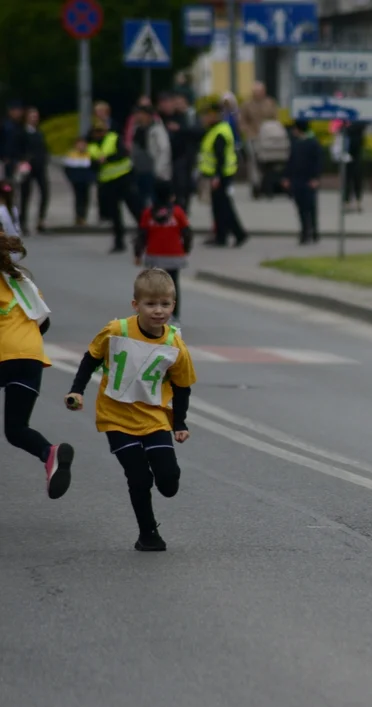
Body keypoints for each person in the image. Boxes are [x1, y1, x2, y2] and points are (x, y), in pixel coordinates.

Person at [65, 269, 197, 552]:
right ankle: (148, 533)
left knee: (168, 481)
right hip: (116, 418)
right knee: (138, 477)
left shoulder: (174, 345)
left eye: (165, 304)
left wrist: (180, 423)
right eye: (151, 304)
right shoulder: (117, 331)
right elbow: (91, 358)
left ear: (173, 305)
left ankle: (164, 483)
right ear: (135, 305)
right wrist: (77, 389)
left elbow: (182, 386)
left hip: (154, 418)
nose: (158, 311)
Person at [0, 231, 75, 499]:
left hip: (3, 352)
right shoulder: (21, 280)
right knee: (17, 428)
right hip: (30, 355)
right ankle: (49, 453)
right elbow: (43, 321)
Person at [135, 181, 192, 323]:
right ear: (171, 196)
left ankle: (152, 312)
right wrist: (186, 248)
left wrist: (137, 254)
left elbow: (142, 235)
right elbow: (187, 232)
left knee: (154, 285)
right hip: (174, 254)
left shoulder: (148, 213)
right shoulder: (177, 212)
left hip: (154, 255)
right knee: (173, 285)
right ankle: (174, 314)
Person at [87, 120, 141, 253]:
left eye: (101, 131)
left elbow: (122, 154)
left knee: (135, 209)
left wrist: (106, 159)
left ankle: (146, 237)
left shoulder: (114, 138)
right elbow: (92, 166)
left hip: (124, 178)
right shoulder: (92, 146)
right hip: (108, 183)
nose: (99, 134)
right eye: (96, 131)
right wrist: (98, 163)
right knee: (115, 215)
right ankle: (119, 242)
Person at [199, 101, 248, 248]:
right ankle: (222, 235)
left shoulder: (219, 132)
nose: (204, 119)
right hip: (220, 175)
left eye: (206, 115)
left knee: (223, 207)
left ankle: (237, 234)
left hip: (220, 175)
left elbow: (220, 157)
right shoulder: (218, 129)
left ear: (214, 116)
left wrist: (216, 177)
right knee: (220, 207)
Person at [282, 120, 322, 246]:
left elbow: (318, 162)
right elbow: (291, 161)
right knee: (301, 208)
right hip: (297, 180)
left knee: (310, 207)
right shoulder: (295, 143)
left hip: (309, 180)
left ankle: (313, 231)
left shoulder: (313, 143)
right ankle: (305, 232)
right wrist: (286, 177)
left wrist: (316, 178)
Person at [17, 107, 49, 234]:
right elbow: (17, 149)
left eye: (36, 116)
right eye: (32, 116)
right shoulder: (22, 133)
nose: (34, 118)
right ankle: (23, 221)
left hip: (40, 166)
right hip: (27, 166)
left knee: (45, 192)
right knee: (25, 194)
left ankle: (41, 220)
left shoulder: (39, 132)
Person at [63, 139, 94, 226]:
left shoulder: (89, 154)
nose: (81, 146)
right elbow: (67, 169)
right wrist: (71, 179)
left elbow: (93, 168)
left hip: (86, 181)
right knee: (78, 198)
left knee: (85, 199)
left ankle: (83, 217)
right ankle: (79, 216)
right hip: (76, 181)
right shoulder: (71, 154)